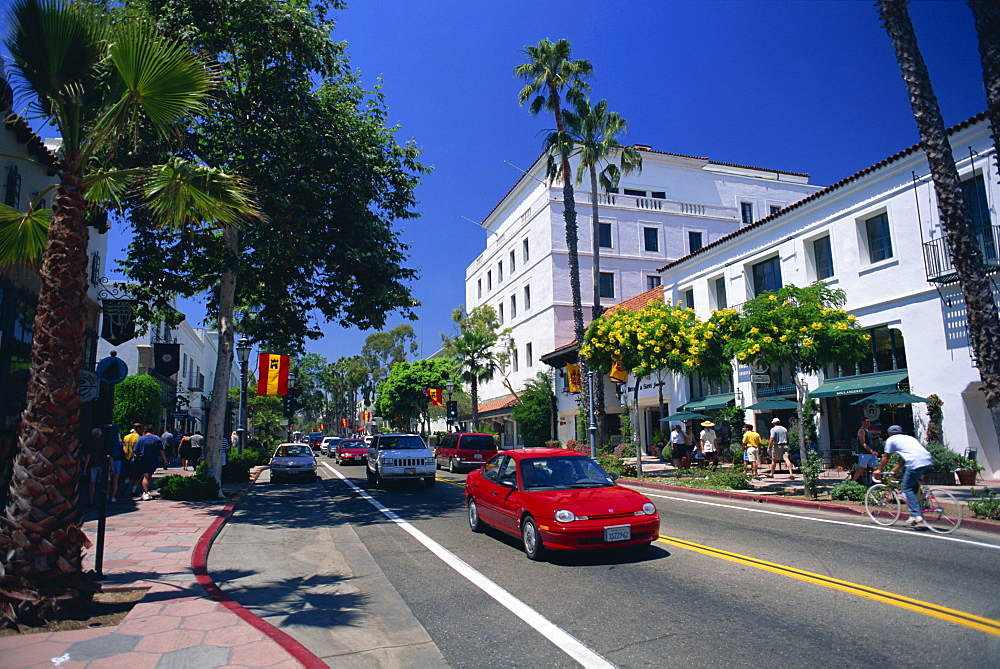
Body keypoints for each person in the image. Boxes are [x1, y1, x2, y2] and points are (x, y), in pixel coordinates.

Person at [873, 425, 933, 526]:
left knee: (907, 488)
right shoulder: (909, 438)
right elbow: (904, 459)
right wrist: (894, 470)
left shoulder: (891, 440)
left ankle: (915, 514)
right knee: (912, 483)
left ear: (890, 433)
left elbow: (886, 457)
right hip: (926, 460)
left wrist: (879, 469)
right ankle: (916, 506)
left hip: (914, 463)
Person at [135, 425, 168, 501]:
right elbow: (161, 450)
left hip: (143, 458)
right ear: (153, 431)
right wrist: (165, 460)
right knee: (149, 475)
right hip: (153, 459)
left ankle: (145, 492)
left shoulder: (141, 439)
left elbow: (136, 450)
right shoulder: (157, 438)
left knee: (145, 475)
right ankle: (147, 491)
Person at [851, 417, 881, 483]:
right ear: (862, 422)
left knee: (875, 468)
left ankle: (881, 484)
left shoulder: (868, 431)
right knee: (861, 469)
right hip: (864, 453)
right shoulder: (861, 431)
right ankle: (852, 482)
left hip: (870, 453)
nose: (868, 423)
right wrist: (871, 451)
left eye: (869, 422)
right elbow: (863, 443)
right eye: (866, 421)